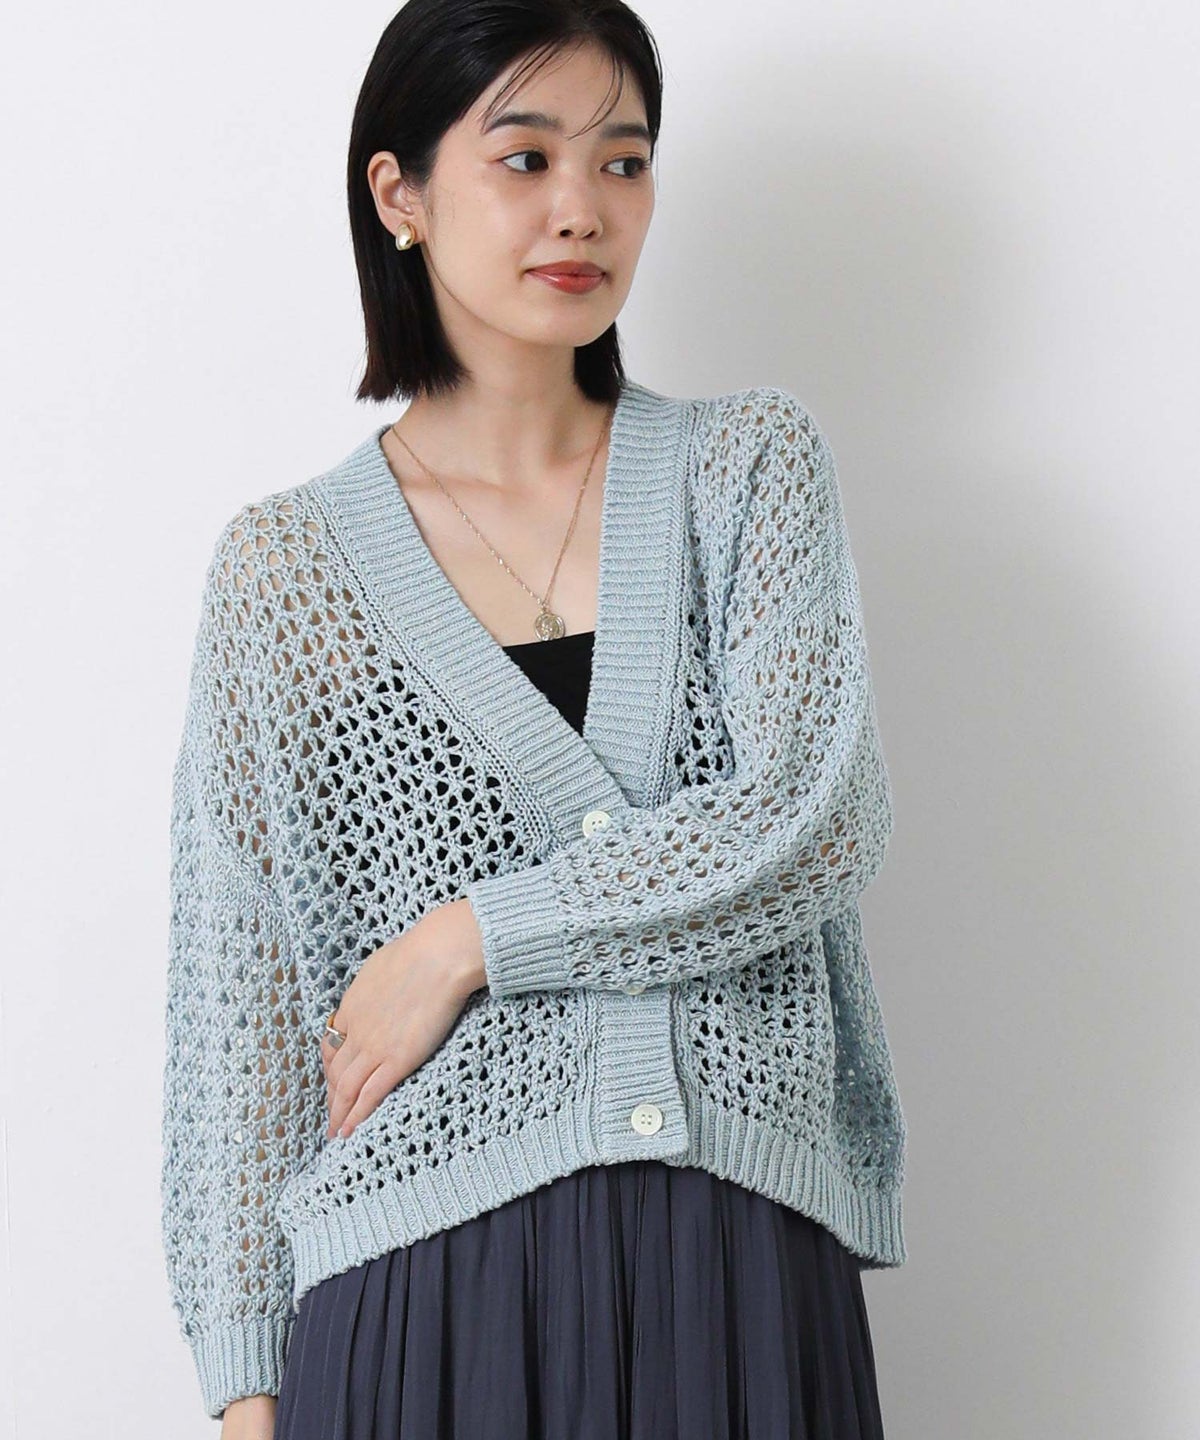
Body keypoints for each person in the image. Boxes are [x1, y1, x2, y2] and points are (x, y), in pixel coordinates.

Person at [159, 2, 909, 1437]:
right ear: (400, 193)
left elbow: (812, 818)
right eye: (526, 158)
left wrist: (471, 940)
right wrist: (246, 1391)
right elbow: (238, 1006)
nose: (583, 208)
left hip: (733, 1267)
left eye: (624, 162)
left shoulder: (747, 470)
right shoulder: (286, 571)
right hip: (419, 1300)